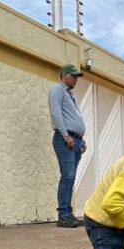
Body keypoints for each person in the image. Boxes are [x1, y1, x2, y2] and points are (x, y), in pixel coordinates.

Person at [49, 64, 88, 227]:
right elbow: (56, 113)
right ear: (64, 75)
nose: (76, 79)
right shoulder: (57, 89)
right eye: (73, 76)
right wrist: (66, 135)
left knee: (71, 179)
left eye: (77, 76)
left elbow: (74, 117)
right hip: (66, 139)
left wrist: (81, 140)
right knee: (67, 176)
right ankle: (63, 215)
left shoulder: (69, 94)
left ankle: (68, 213)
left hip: (75, 140)